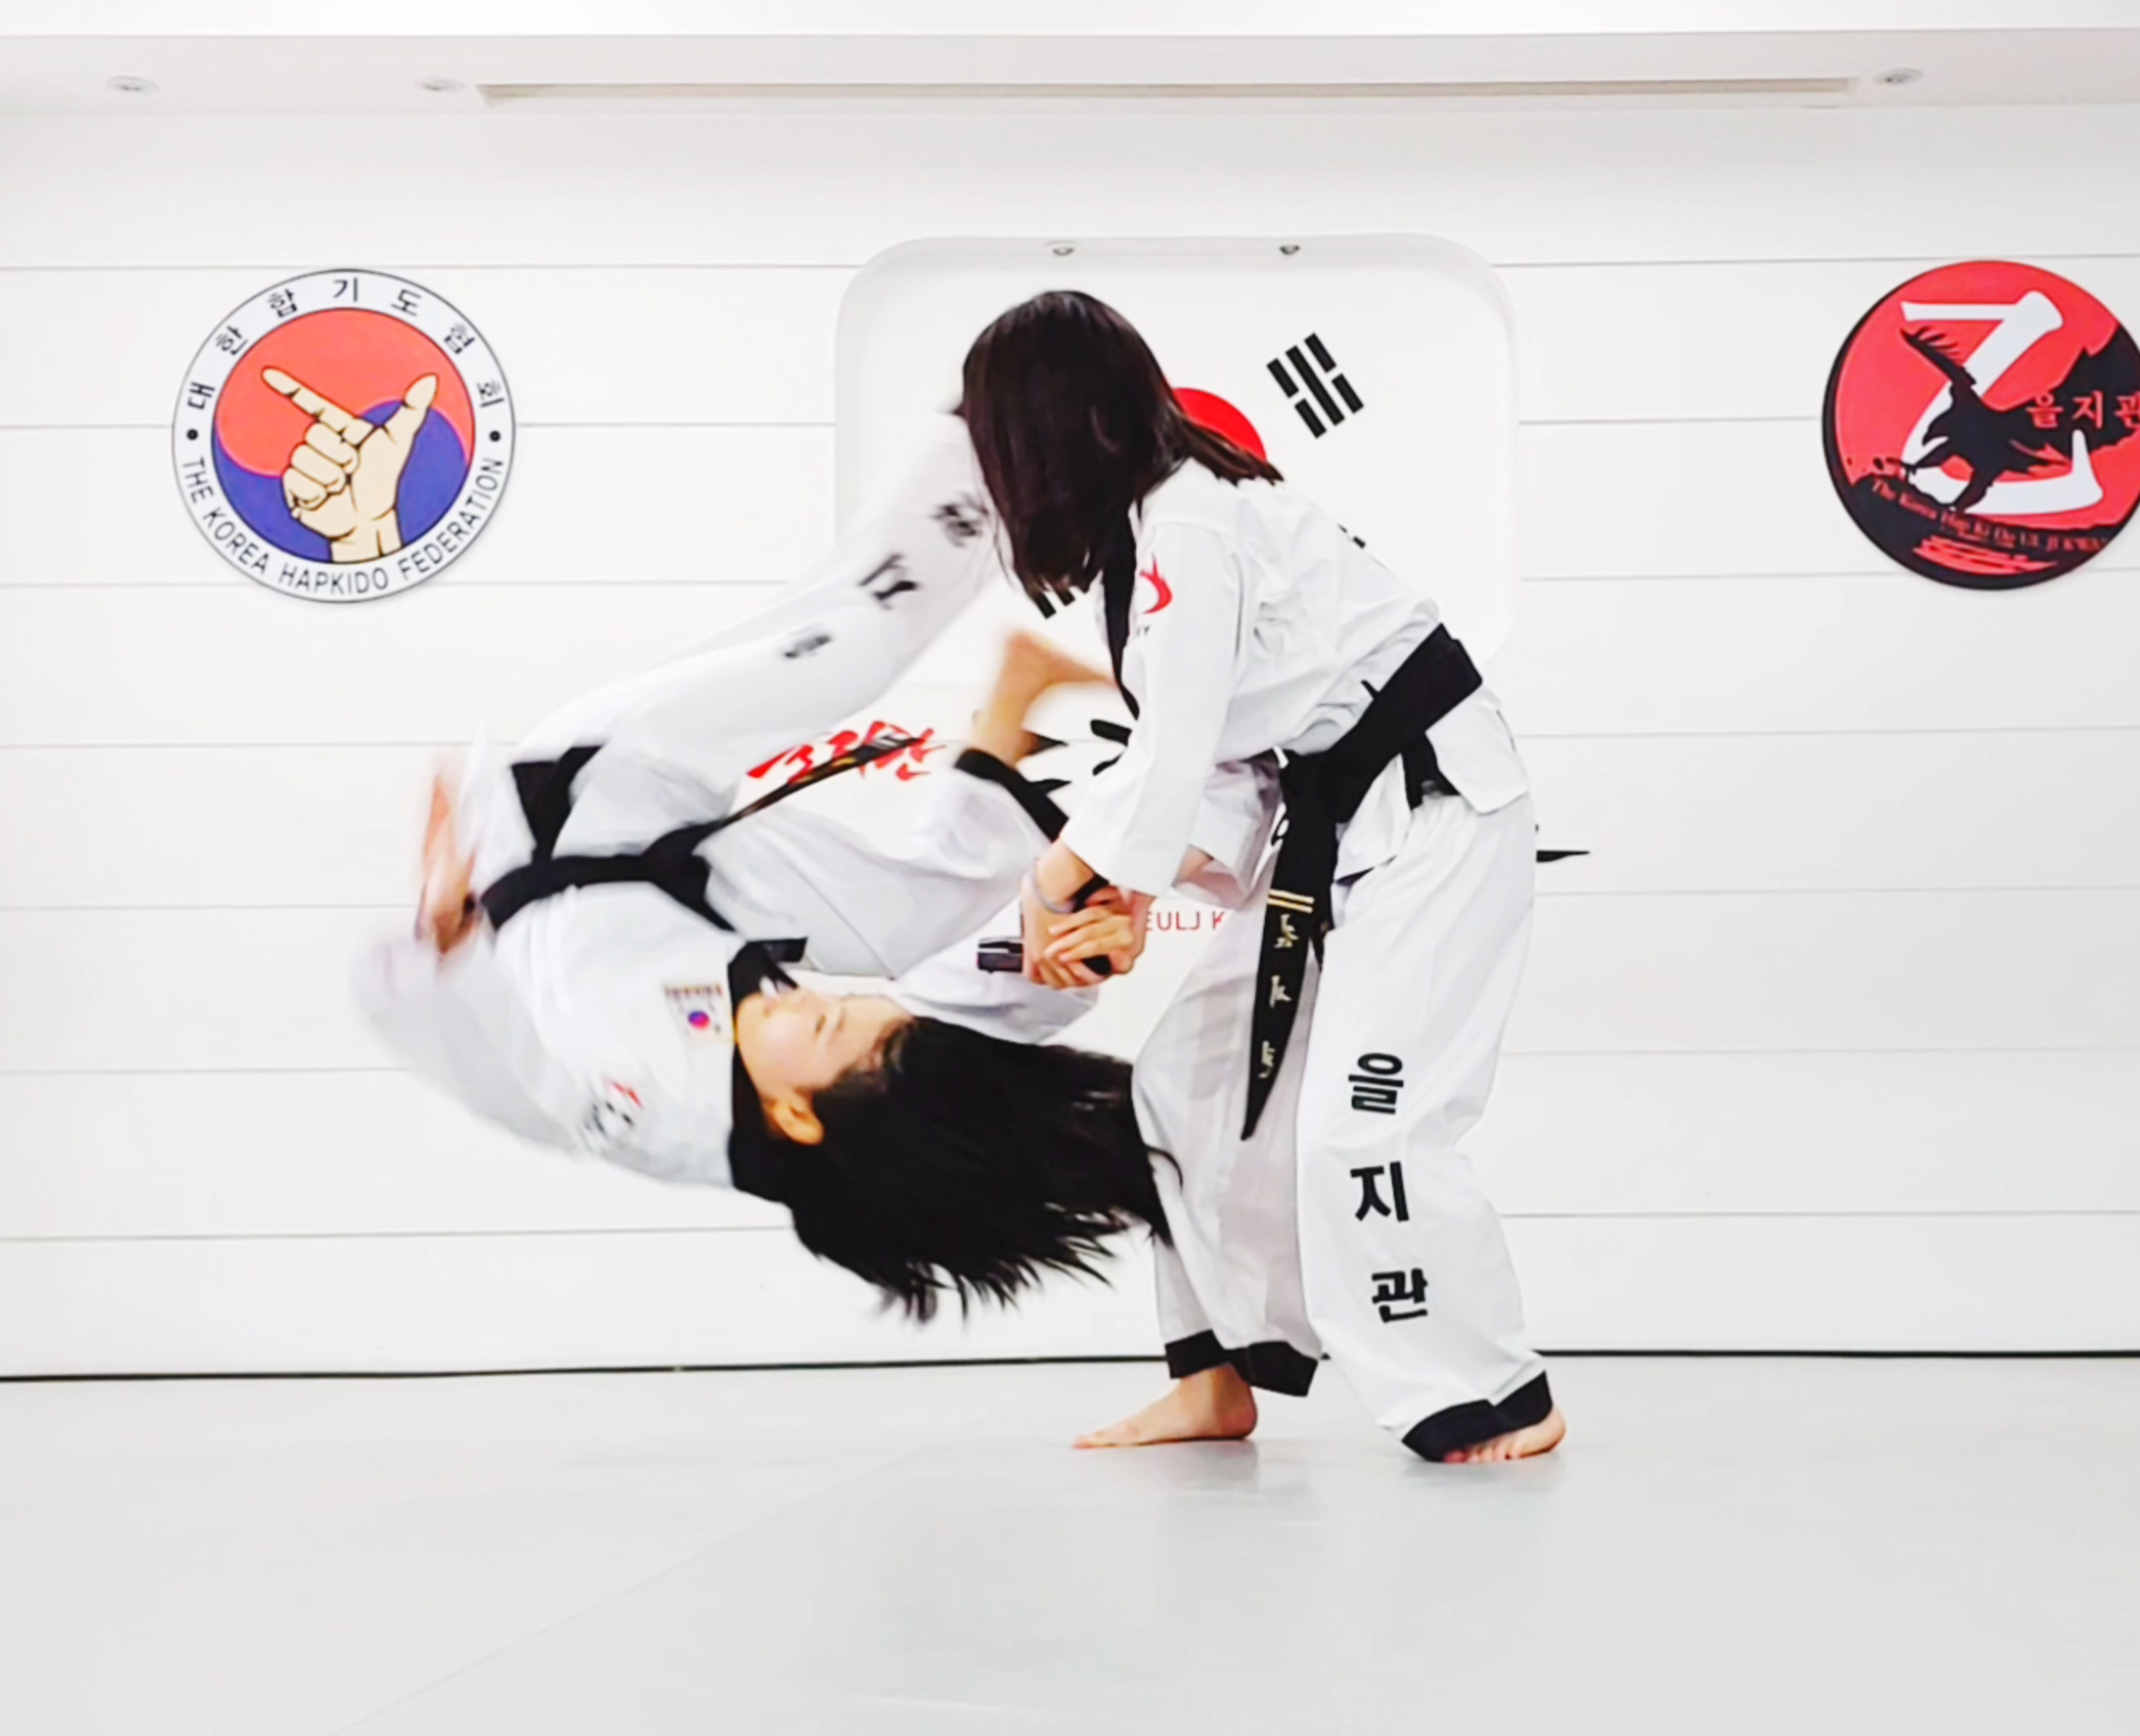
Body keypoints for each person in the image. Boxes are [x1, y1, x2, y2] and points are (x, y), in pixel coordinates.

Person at [356, 420, 1253, 1316]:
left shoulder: (650, 1110)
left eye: (824, 1022)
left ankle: (982, 439)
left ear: (791, 1114)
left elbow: (515, 1089)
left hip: (570, 808)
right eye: (835, 1011)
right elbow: (931, 1011)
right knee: (933, 927)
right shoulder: (830, 1084)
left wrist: (444, 946)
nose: (813, 999)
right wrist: (1070, 942)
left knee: (855, 645)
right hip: (692, 883)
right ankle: (1017, 690)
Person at [965, 291, 1565, 1464]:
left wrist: (1055, 884)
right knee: (1178, 1086)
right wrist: (1129, 898)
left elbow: (1172, 752)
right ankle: (1215, 1378)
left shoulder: (1192, 517)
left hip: (1434, 819)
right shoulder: (1152, 533)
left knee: (1364, 1124)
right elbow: (1227, 765)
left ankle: (1497, 1392)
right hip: (1333, 828)